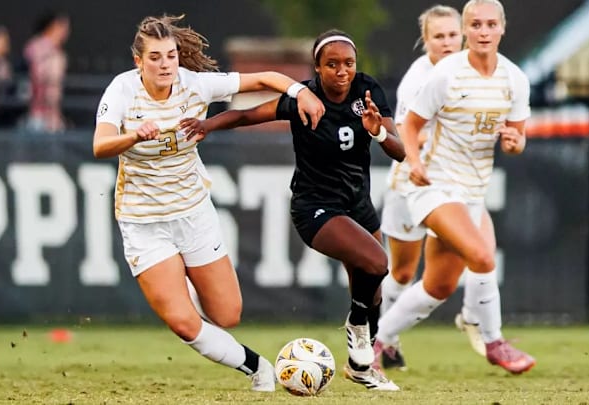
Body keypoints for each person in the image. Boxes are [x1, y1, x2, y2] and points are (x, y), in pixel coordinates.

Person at [92, 14, 325, 392]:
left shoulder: (196, 84)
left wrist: (303, 93)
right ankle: (258, 368)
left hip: (194, 213)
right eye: (155, 57)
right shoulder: (122, 90)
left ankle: (192, 293)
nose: (165, 64)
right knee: (184, 323)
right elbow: (100, 145)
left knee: (227, 314)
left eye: (170, 55)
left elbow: (266, 79)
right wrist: (132, 135)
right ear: (139, 61)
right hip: (143, 222)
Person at [180, 29, 406, 391]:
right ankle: (357, 330)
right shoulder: (305, 98)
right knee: (378, 263)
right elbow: (247, 116)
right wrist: (207, 124)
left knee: (373, 289)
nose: (342, 71)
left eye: (348, 63)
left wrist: (378, 133)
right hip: (315, 206)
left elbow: (401, 151)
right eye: (331, 64)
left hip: (358, 202)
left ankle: (361, 368)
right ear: (317, 67)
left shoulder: (367, 91)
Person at [374, 0, 536, 375]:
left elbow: (518, 138)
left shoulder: (514, 79)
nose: (483, 31)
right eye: (475, 24)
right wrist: (414, 163)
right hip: (433, 183)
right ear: (468, 30)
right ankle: (494, 340)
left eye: (490, 24)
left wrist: (515, 143)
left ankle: (374, 345)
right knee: (481, 256)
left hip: (473, 190)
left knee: (438, 285)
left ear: (502, 28)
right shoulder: (444, 73)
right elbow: (409, 127)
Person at [23, 11, 70, 132]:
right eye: (63, 27)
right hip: (37, 112)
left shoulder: (58, 53)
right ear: (53, 26)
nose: (66, 32)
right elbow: (36, 75)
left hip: (53, 113)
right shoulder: (37, 47)